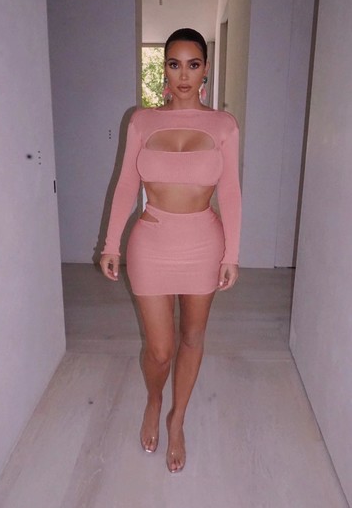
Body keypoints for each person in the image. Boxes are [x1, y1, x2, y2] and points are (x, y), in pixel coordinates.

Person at [100, 28, 241, 473]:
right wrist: (110, 243)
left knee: (192, 337)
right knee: (160, 350)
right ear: (164, 69)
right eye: (175, 64)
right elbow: (126, 184)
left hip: (203, 244)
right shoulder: (142, 121)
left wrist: (232, 254)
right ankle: (154, 397)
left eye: (193, 65)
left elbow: (231, 192)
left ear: (205, 70)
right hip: (150, 243)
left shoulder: (224, 125)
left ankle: (177, 418)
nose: (183, 75)